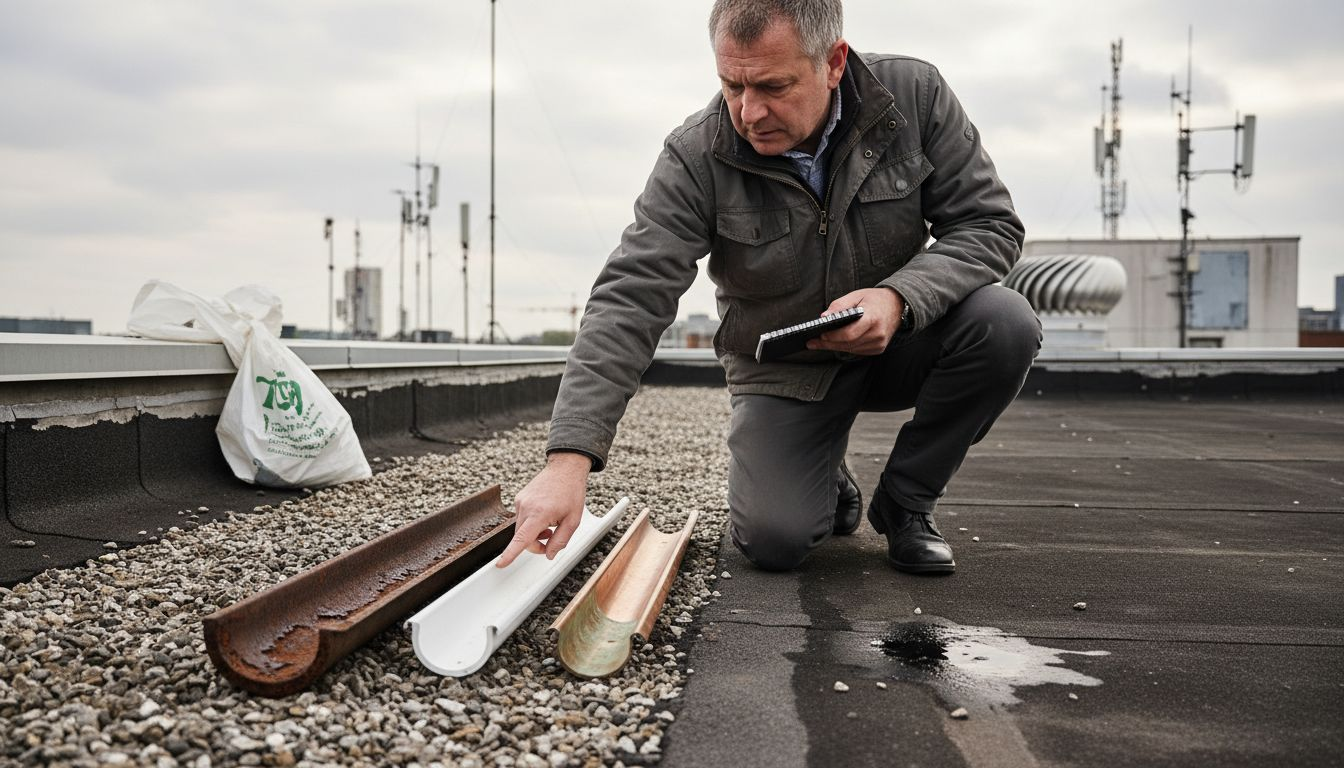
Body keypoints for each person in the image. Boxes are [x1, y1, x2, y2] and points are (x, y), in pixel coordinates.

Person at [496, 0, 1040, 575]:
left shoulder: (915, 96)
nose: (749, 113)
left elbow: (989, 224)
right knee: (774, 542)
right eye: (732, 85)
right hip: (786, 369)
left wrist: (900, 298)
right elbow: (631, 294)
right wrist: (567, 460)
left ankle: (908, 502)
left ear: (833, 62)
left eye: (773, 87)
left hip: (903, 340)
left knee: (1005, 323)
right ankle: (825, 474)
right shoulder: (696, 154)